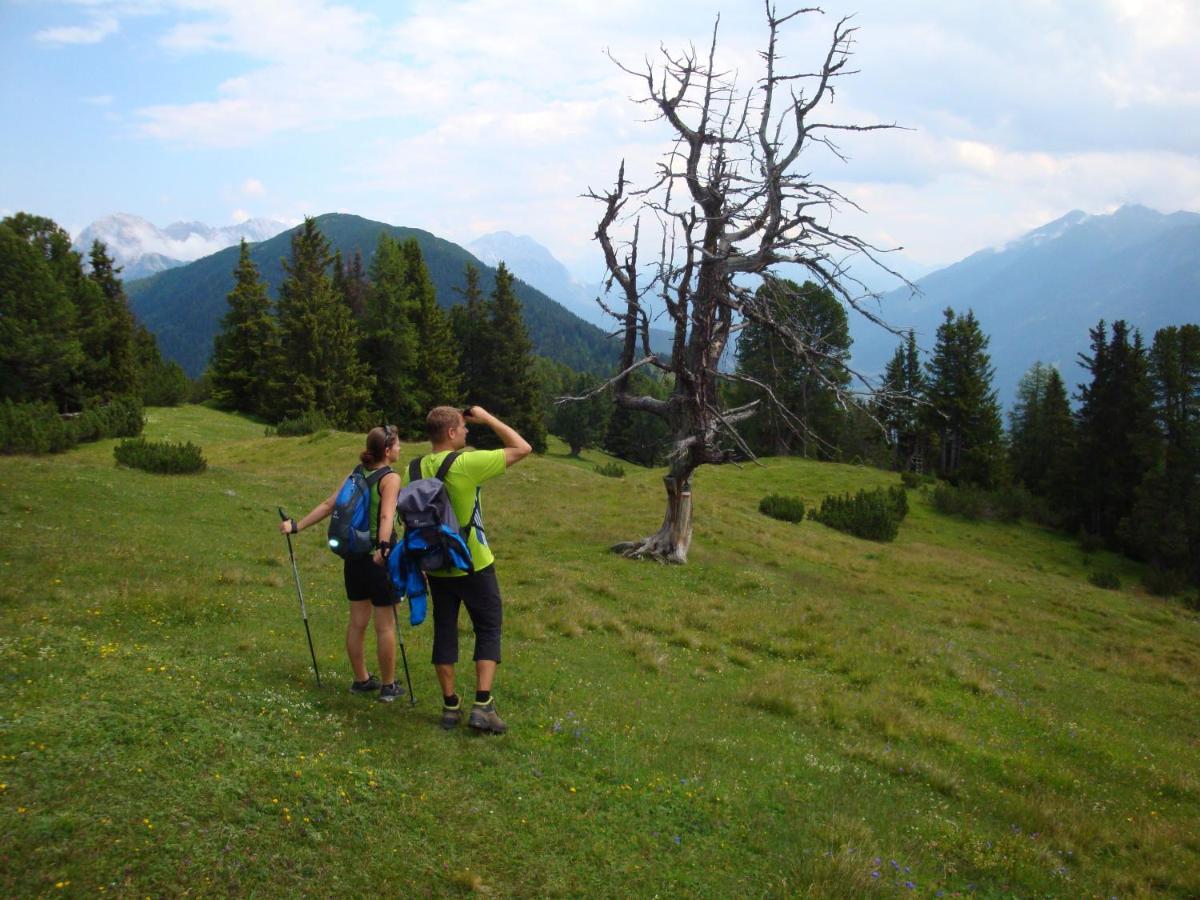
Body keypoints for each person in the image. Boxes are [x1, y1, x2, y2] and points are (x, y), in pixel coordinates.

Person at [407, 405, 530, 734]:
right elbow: (522, 447)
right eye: (463, 427)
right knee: (488, 627)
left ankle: (450, 707)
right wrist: (488, 417)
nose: (467, 432)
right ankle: (483, 705)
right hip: (474, 562)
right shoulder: (467, 464)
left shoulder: (413, 469)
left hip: (435, 565)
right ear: (450, 433)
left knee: (445, 631)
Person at [278, 425, 405, 702]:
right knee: (385, 626)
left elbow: (328, 505)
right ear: (386, 450)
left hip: (353, 558)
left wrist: (296, 526)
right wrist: (384, 549)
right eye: (396, 445)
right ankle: (388, 686)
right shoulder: (390, 478)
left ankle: (361, 680)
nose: (400, 449)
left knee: (357, 622)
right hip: (378, 557)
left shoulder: (357, 473)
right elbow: (386, 517)